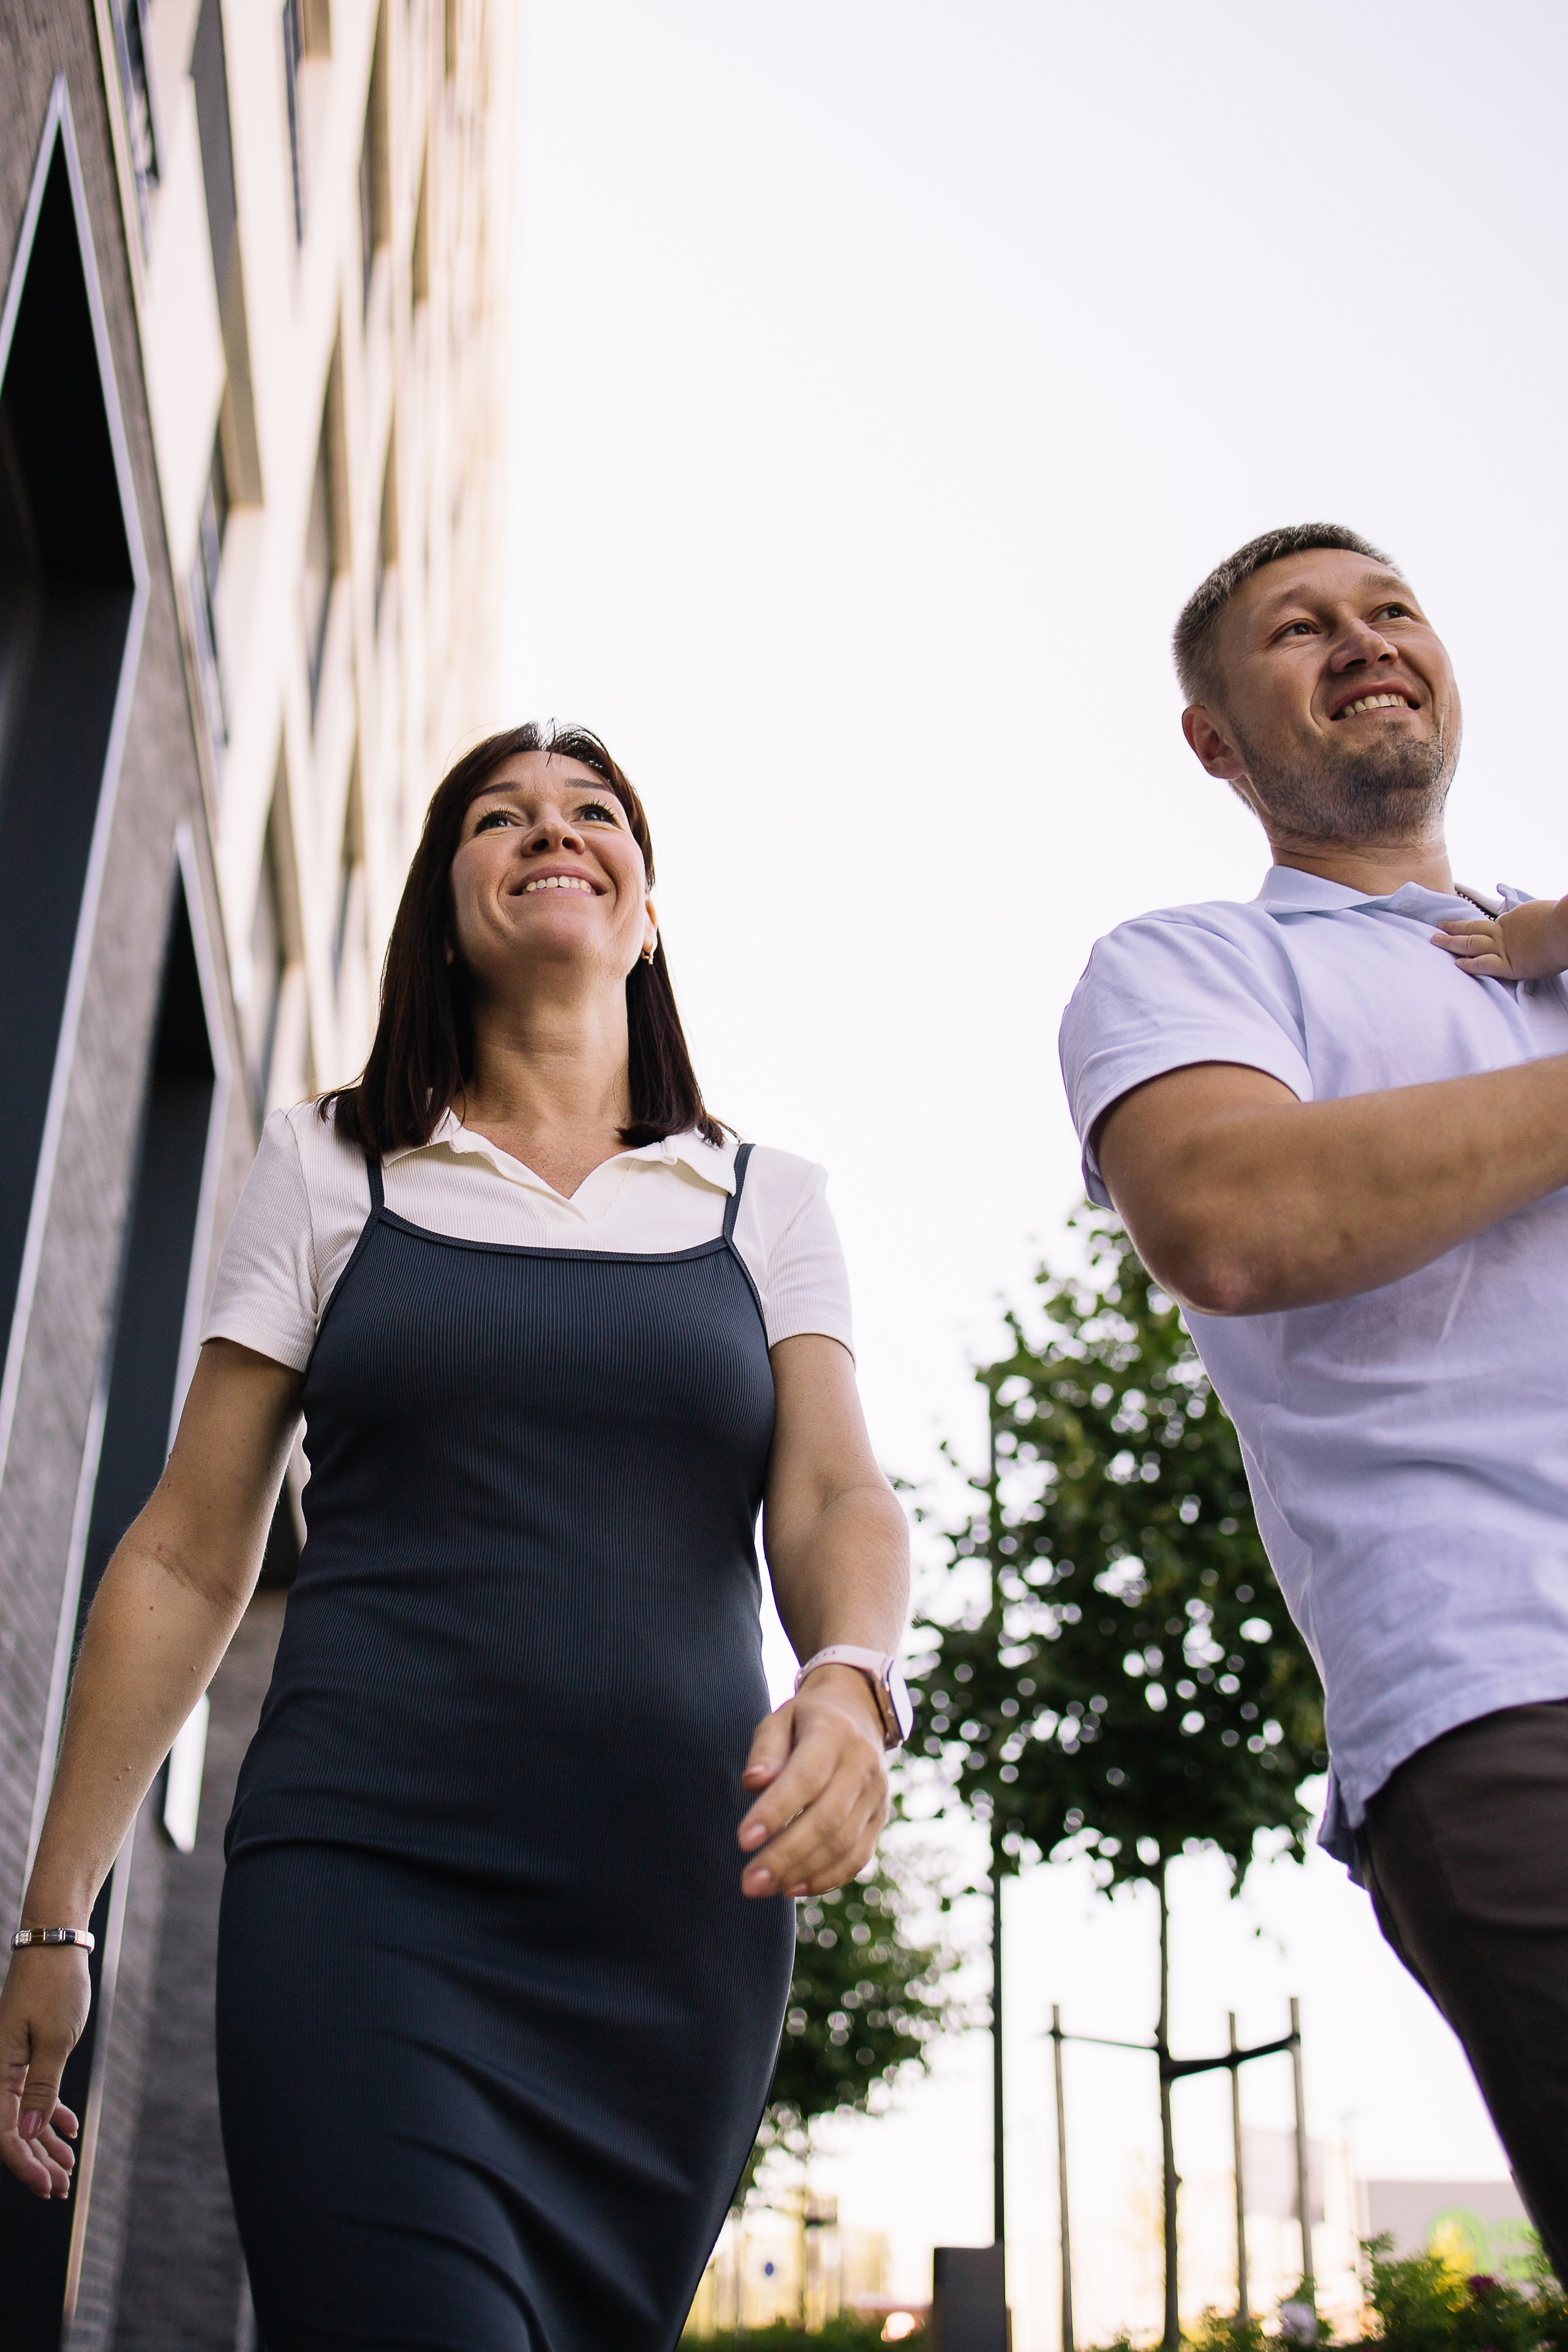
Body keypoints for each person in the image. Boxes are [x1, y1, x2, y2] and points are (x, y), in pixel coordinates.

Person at [0, 722, 912, 2352]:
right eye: (499, 818)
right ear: (443, 906)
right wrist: (58, 1916)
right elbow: (192, 1552)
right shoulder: (330, 1164)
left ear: (648, 908)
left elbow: (836, 1495)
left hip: (670, 1928)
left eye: (591, 814)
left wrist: (850, 1678)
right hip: (368, 1885)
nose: (550, 833)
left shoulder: (764, 1199)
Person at [1058, 526, 1568, 2275]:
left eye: (1392, 611)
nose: (1364, 643)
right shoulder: (1190, 969)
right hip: (1515, 1691)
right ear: (1216, 738)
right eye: (1301, 630)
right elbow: (1238, 1216)